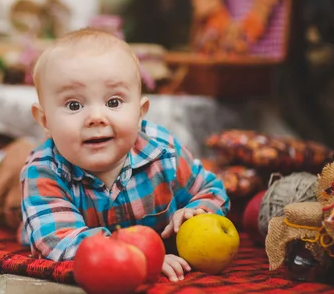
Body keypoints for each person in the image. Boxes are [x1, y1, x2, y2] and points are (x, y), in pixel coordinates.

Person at [19, 28, 230, 282]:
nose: (97, 117)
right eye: (74, 105)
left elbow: (213, 190)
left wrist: (197, 210)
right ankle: (0, 165)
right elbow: (58, 241)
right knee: (8, 196)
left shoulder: (163, 152)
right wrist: (143, 256)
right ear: (45, 119)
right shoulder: (43, 172)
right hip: (33, 206)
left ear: (141, 112)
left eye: (114, 102)